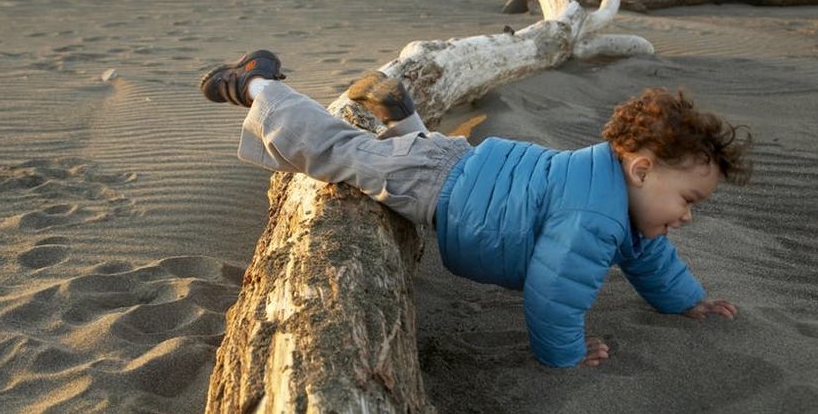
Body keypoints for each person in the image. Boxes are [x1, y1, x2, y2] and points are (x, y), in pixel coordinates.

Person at [201, 49, 752, 368]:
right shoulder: (597, 217)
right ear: (642, 169)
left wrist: (688, 302)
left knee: (414, 151)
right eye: (688, 199)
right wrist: (563, 353)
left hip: (455, 163)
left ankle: (401, 116)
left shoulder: (616, 195)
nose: (687, 216)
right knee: (333, 150)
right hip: (431, 187)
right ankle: (257, 85)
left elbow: (651, 258)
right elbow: (554, 291)